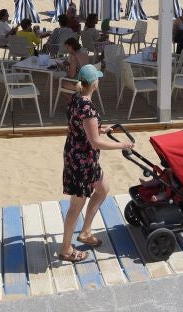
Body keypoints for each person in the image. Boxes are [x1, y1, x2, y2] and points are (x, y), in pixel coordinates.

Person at [60, 64, 134, 263]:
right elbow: (95, 142)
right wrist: (122, 145)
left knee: (103, 189)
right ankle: (66, 249)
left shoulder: (76, 99)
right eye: (98, 79)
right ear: (94, 83)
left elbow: (80, 126)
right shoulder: (88, 107)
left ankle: (85, 232)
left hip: (77, 154)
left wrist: (100, 129)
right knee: (76, 206)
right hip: (82, 161)